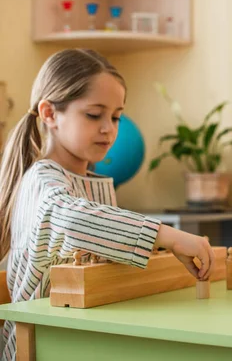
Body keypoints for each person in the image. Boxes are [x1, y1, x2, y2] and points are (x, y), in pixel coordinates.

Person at [0, 49, 215, 361]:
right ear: (49, 114)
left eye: (116, 117)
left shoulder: (89, 180)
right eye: (93, 115)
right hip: (39, 344)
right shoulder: (41, 180)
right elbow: (71, 220)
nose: (109, 128)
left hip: (84, 337)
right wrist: (168, 236)